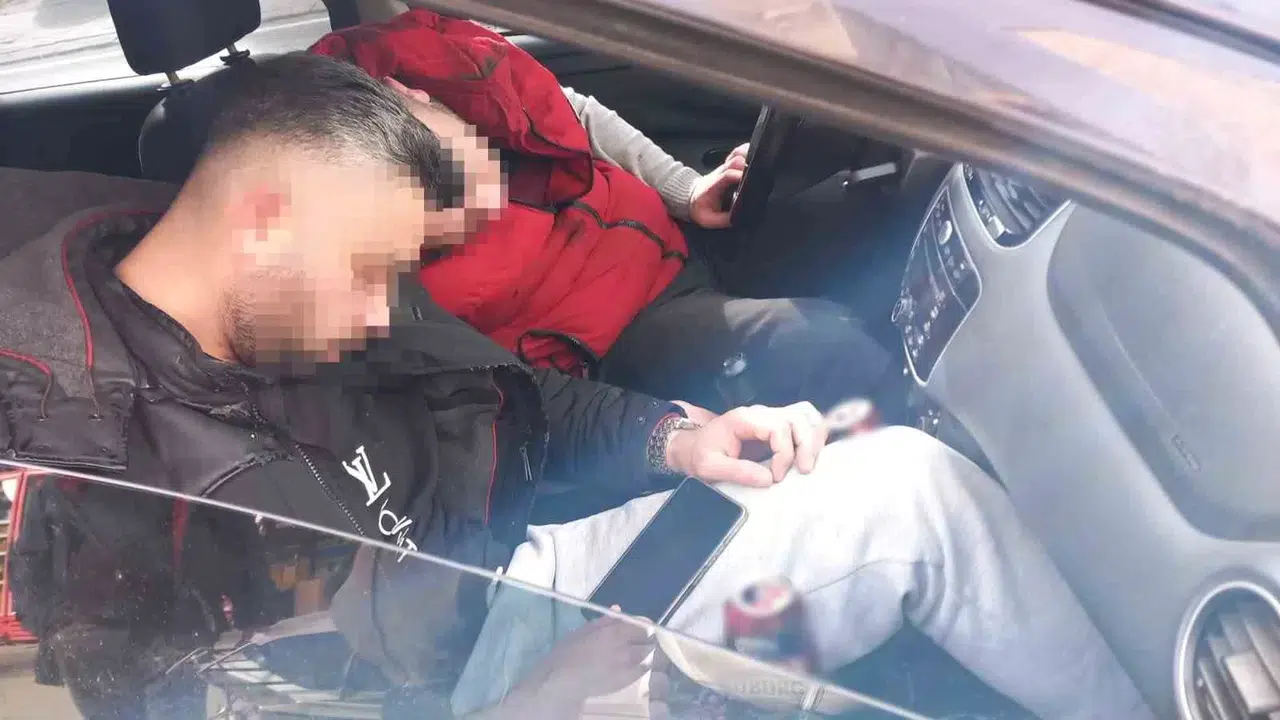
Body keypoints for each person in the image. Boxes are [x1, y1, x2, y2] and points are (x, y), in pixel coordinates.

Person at [0, 53, 1150, 720]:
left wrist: (679, 439)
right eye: (369, 275)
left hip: (508, 582)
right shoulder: (84, 465)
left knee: (903, 489)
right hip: (463, 688)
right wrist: (531, 704)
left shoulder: (292, 304)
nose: (380, 313)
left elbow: (518, 403)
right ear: (265, 223)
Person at [308, 9, 897, 415]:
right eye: (450, 217)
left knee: (883, 222)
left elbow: (572, 113)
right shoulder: (352, 264)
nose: (487, 212)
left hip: (676, 237)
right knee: (821, 345)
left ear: (411, 93)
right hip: (622, 334)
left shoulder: (438, 67)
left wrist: (686, 190)